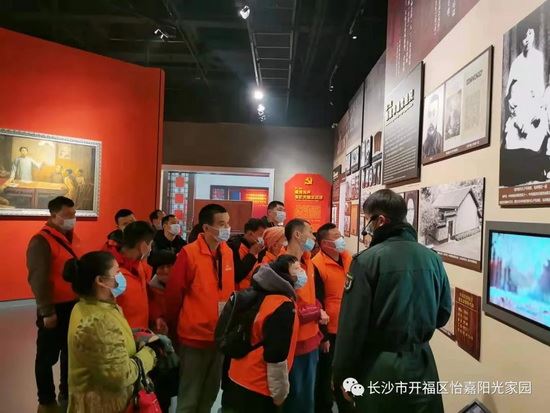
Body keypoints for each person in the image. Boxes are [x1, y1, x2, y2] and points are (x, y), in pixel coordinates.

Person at [332, 189, 452, 413]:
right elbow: (443, 315)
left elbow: (352, 327)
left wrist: (342, 375)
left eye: (367, 220)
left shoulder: (366, 262)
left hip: (380, 367)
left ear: (380, 221)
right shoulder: (433, 259)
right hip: (423, 363)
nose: (366, 227)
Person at [62, 251, 158, 413]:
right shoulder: (97, 322)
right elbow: (121, 374)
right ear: (100, 281)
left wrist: (135, 337)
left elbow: (107, 346)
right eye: (116, 272)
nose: (121, 277)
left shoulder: (86, 306)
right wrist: (151, 353)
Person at [165, 203, 235, 413]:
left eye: (228, 223)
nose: (227, 228)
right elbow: (174, 295)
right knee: (189, 396)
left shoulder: (227, 252)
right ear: (206, 228)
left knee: (210, 394)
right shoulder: (189, 253)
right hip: (194, 336)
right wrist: (173, 329)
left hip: (220, 336)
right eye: (221, 224)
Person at [228, 255, 301, 412]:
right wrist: (279, 395)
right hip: (258, 385)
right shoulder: (282, 305)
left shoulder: (260, 293)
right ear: (285, 275)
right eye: (296, 269)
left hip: (237, 374)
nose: (301, 272)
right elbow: (276, 356)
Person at [26, 196, 79, 413]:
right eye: (68, 215)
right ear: (54, 215)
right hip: (54, 308)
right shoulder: (41, 241)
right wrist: (47, 311)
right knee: (46, 357)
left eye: (74, 214)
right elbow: (38, 279)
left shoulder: (70, 237)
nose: (73, 218)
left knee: (70, 352)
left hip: (73, 306)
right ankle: (46, 401)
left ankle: (66, 392)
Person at [283, 219, 329, 413]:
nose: (313, 237)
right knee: (295, 397)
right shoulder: (281, 265)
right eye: (310, 232)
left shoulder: (308, 262)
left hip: (312, 339)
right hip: (293, 343)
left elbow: (312, 297)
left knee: (307, 398)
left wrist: (319, 310)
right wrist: (317, 312)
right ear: (297, 235)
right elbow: (286, 310)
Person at [312, 224, 354, 413]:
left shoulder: (349, 258)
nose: (341, 239)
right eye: (336, 236)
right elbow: (317, 302)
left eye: (340, 235)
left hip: (349, 326)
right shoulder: (317, 265)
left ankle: (347, 405)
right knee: (325, 373)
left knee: (347, 371)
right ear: (324, 244)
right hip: (330, 329)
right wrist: (323, 336)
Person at [103, 221, 154, 329]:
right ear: (143, 246)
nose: (150, 249)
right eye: (150, 244)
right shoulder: (111, 274)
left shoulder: (139, 266)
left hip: (141, 334)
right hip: (121, 335)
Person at [147, 250, 179, 413]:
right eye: (161, 267)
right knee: (160, 388)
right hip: (158, 346)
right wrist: (157, 318)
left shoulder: (180, 287)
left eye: (169, 266)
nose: (165, 270)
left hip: (178, 341)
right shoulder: (150, 289)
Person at [227, 218, 267, 290]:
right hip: (238, 291)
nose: (262, 238)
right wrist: (251, 254)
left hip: (252, 289)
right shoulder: (234, 246)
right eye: (261, 235)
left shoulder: (258, 247)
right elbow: (237, 275)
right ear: (250, 234)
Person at [423, 94, 444, 158]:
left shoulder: (440, 139)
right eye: (430, 113)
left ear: (438, 115)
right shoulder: (423, 143)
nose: (432, 118)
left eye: (434, 113)